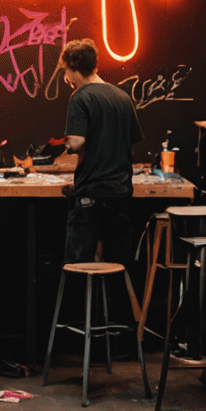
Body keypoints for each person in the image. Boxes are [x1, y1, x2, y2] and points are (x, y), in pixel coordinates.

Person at [60, 37, 144, 268]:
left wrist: (68, 143)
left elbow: (76, 142)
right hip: (121, 192)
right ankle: (114, 304)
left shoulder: (80, 97)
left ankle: (78, 304)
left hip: (92, 193)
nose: (66, 77)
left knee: (77, 265)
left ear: (73, 68)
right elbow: (132, 138)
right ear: (95, 65)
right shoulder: (123, 97)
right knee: (117, 263)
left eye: (66, 70)